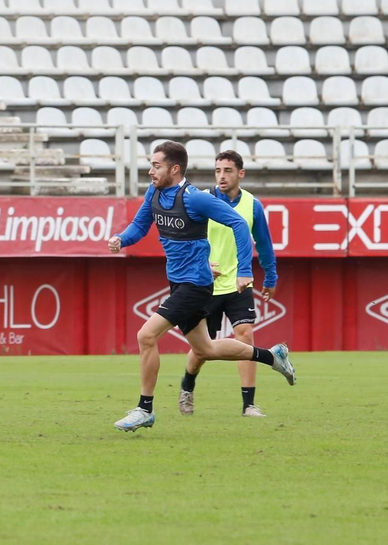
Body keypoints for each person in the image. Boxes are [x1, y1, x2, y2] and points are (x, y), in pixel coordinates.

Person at [107, 141, 296, 431]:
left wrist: (245, 270)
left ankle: (145, 409)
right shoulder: (154, 193)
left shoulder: (194, 199)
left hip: (195, 286)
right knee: (205, 349)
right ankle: (272, 357)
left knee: (146, 335)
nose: (150, 171)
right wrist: (122, 238)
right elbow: (140, 226)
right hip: (178, 282)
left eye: (156, 166)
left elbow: (238, 224)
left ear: (174, 169)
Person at [178, 149, 280, 418]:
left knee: (245, 336)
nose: (221, 176)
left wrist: (271, 277)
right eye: (218, 171)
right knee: (203, 349)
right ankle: (187, 386)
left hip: (239, 283)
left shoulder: (252, 205)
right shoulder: (202, 200)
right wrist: (199, 264)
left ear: (240, 173)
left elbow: (264, 244)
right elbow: (184, 240)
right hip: (205, 284)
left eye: (228, 171)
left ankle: (249, 405)